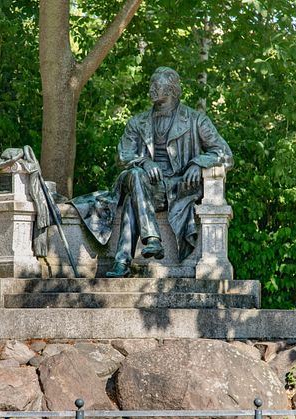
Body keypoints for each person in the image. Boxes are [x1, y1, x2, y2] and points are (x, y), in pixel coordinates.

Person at [70, 67, 233, 277]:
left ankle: (122, 261)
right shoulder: (138, 123)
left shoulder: (195, 120)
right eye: (151, 85)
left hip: (177, 189)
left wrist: (198, 163)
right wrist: (144, 161)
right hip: (146, 184)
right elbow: (122, 156)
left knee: (132, 199)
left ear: (172, 89)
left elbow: (225, 153)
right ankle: (152, 238)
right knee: (136, 175)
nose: (151, 89)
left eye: (157, 85)